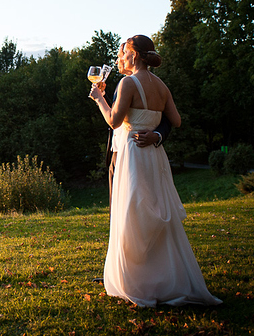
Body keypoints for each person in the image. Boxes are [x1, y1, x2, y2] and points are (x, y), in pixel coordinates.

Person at [89, 35, 221, 307]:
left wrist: (99, 98)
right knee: (154, 215)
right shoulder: (162, 86)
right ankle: (159, 276)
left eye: (124, 53)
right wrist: (155, 133)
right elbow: (177, 120)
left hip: (134, 157)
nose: (120, 57)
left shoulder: (128, 82)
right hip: (155, 158)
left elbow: (114, 121)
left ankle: (135, 280)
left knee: (133, 216)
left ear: (134, 56)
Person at [101, 43, 171, 206]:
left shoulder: (149, 84)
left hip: (136, 151)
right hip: (117, 151)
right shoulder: (123, 83)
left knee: (141, 204)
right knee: (118, 206)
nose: (118, 61)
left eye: (120, 56)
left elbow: (168, 118)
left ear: (133, 56)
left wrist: (158, 135)